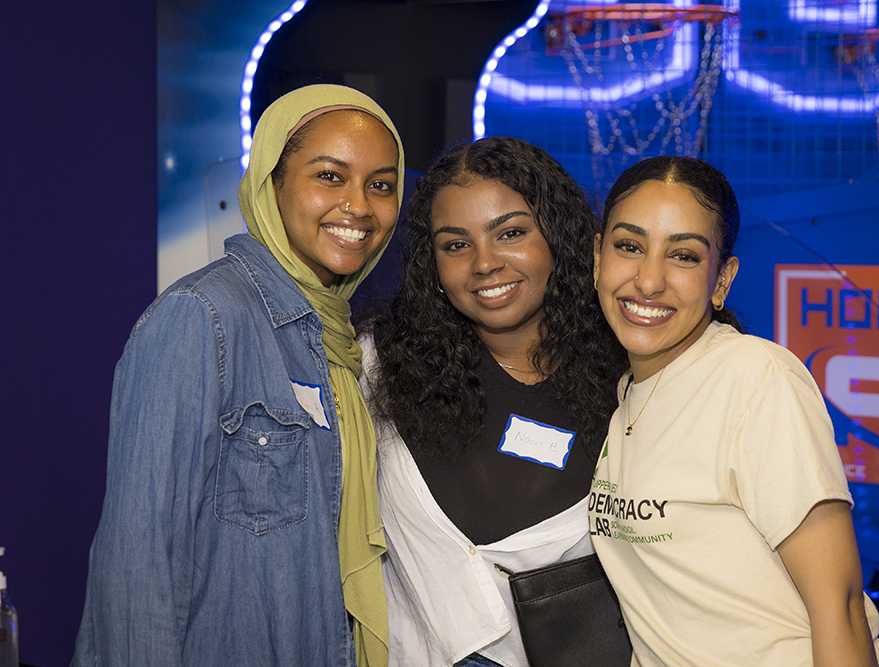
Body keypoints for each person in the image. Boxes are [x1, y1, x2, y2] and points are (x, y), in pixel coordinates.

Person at [72, 85, 405, 667]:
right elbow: (137, 568)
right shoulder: (202, 318)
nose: (359, 205)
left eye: (381, 184)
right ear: (270, 183)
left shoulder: (340, 339)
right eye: (330, 176)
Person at [590, 155, 879, 667]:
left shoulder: (756, 378)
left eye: (684, 256)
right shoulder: (627, 392)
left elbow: (839, 604)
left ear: (721, 280)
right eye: (629, 246)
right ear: (597, 259)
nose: (649, 280)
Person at [360, 136, 627, 667]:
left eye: (510, 234)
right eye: (455, 244)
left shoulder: (632, 384)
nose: (485, 263)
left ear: (559, 238)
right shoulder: (377, 369)